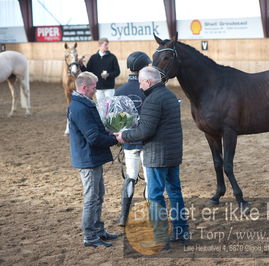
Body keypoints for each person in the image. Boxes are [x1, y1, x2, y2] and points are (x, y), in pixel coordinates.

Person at [114, 66, 189, 250]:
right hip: (173, 154)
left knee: (155, 196)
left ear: (148, 82)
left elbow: (146, 130)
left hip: (157, 156)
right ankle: (181, 231)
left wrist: (124, 136)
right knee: (175, 192)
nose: (139, 87)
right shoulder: (170, 96)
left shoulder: (152, 100)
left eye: (140, 82)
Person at [67, 71, 119, 248]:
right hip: (88, 159)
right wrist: (115, 140)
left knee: (98, 196)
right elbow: (93, 138)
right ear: (84, 87)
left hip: (92, 158)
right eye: (94, 87)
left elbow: (96, 131)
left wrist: (110, 133)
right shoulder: (80, 108)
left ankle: (98, 230)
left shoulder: (84, 104)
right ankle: (89, 236)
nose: (96, 90)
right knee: (91, 198)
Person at [114, 51, 151, 226]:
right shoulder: (150, 89)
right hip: (148, 142)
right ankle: (150, 215)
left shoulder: (119, 91)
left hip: (129, 143)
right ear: (144, 67)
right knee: (150, 179)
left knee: (130, 177)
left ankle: (123, 216)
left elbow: (114, 120)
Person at [79, 37, 120, 117]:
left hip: (109, 88)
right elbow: (88, 72)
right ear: (100, 45)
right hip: (97, 88)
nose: (107, 46)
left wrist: (108, 75)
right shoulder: (93, 58)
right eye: (105, 44)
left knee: (110, 107)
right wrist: (81, 65)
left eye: (107, 44)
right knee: (101, 108)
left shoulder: (112, 57)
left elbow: (117, 72)